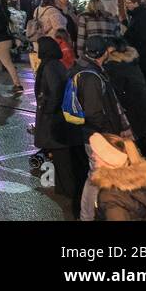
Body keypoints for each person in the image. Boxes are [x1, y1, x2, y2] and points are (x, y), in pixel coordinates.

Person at [70, 35, 131, 221]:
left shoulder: (83, 68)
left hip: (93, 133)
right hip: (97, 135)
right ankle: (88, 215)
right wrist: (105, 134)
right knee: (96, 177)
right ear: (105, 52)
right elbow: (94, 112)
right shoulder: (91, 76)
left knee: (99, 175)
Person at [31, 37, 87, 214]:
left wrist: (47, 109)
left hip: (54, 119)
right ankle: (65, 188)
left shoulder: (49, 66)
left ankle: (68, 190)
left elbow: (55, 90)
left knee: (61, 156)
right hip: (59, 119)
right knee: (61, 156)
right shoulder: (56, 64)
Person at [102, 38, 146, 164]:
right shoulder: (130, 61)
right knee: (142, 145)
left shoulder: (113, 66)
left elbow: (117, 93)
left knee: (136, 146)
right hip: (144, 108)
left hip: (134, 112)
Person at [88, 132, 146, 221]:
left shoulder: (110, 197)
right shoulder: (141, 178)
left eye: (96, 153)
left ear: (108, 158)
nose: (93, 156)